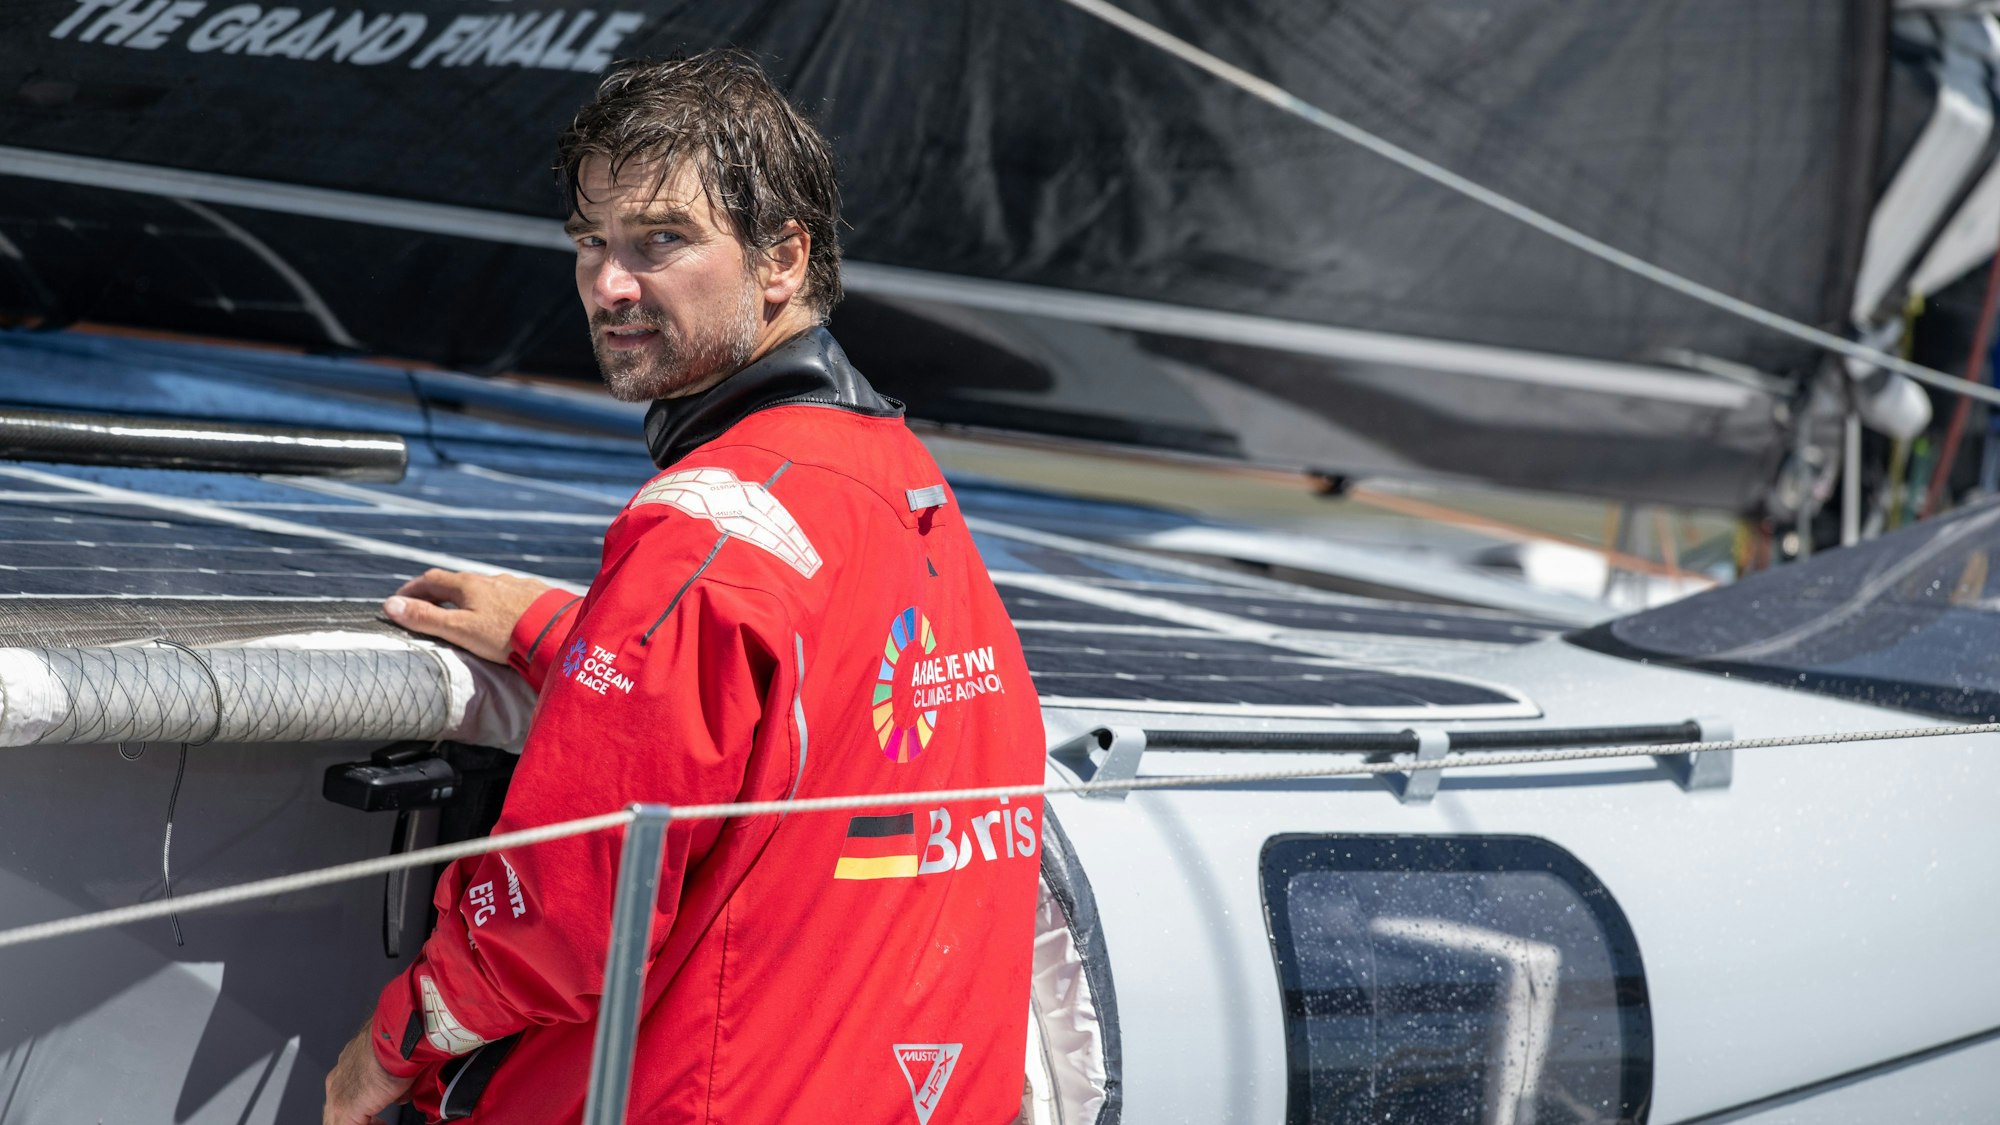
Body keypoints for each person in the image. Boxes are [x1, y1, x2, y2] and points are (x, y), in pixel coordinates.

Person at [322, 49, 1045, 1125]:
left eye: (660, 241)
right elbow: (815, 704)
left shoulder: (708, 529)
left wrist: (390, 1046)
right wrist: (574, 634)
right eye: (591, 244)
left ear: (781, 259)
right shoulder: (902, 487)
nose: (611, 286)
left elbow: (561, 918)